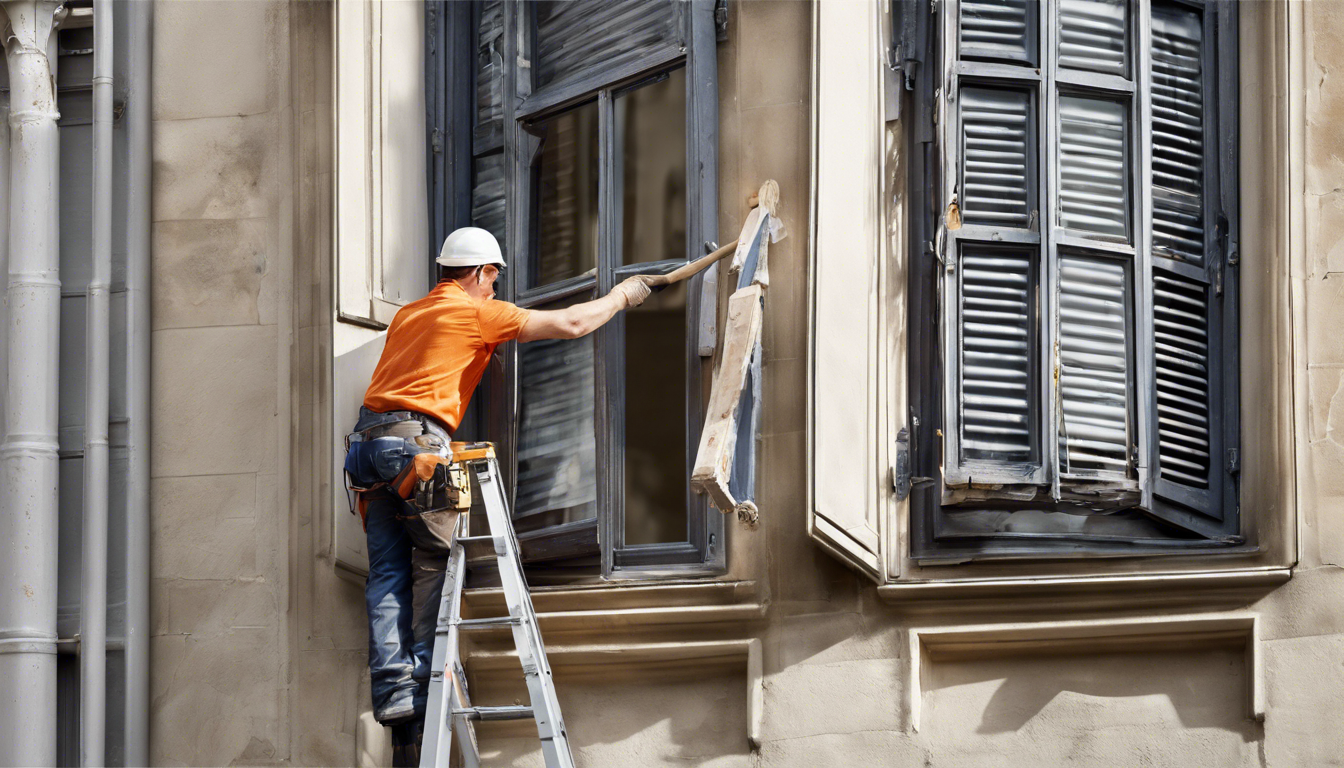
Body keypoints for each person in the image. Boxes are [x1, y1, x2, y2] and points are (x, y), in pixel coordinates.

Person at [342, 227, 652, 764]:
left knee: (389, 573)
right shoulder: (474, 311)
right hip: (417, 446)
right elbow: (572, 323)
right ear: (481, 273)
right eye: (493, 279)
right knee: (435, 564)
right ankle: (422, 687)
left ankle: (395, 698)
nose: (494, 289)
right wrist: (623, 295)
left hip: (368, 451)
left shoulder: (410, 314)